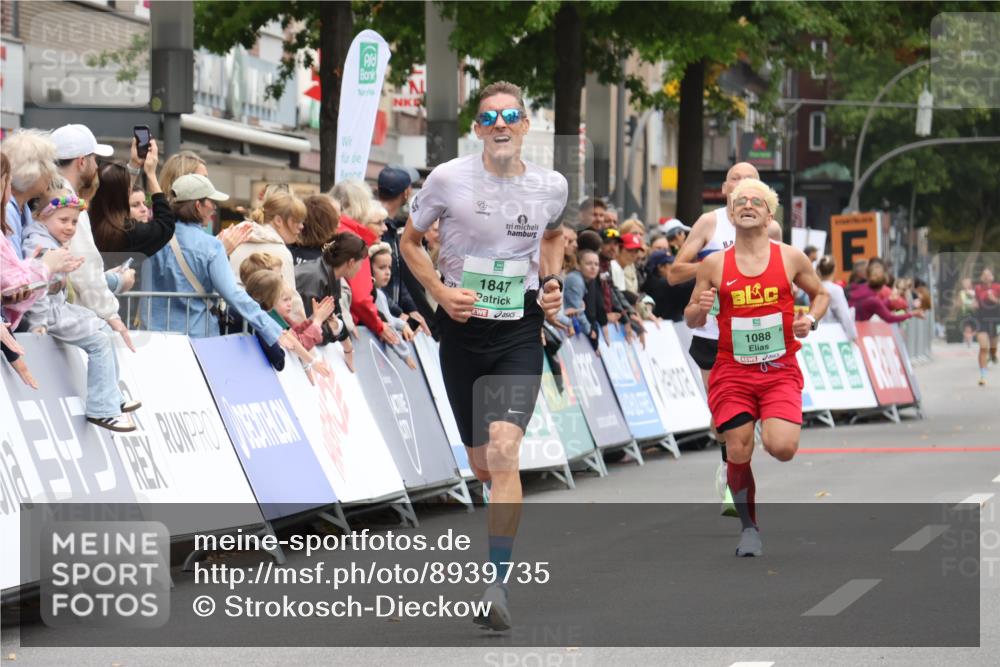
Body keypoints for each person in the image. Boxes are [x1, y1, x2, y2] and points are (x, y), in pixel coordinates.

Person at [400, 80, 567, 632]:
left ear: (525, 125)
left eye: (511, 115)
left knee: (503, 450)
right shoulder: (448, 178)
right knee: (480, 464)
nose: (501, 124)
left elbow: (552, 238)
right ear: (477, 128)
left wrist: (551, 283)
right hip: (462, 332)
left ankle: (497, 583)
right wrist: (441, 294)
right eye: (490, 116)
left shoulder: (551, 185)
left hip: (519, 329)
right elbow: (409, 242)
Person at [684, 178, 829, 557]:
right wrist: (699, 307)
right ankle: (749, 529)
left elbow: (821, 294)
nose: (747, 205)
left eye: (756, 201)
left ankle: (768, 421)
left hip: (779, 369)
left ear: (768, 214)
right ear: (731, 214)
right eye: (740, 202)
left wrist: (810, 321)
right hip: (732, 371)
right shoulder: (713, 264)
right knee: (737, 447)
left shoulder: (790, 258)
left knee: (782, 448)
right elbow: (691, 319)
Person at [667, 162, 780, 508]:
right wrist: (720, 265)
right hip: (712, 333)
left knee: (745, 418)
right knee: (722, 417)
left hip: (755, 334)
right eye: (736, 179)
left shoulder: (771, 229)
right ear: (725, 189)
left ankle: (735, 473)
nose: (744, 186)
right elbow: (674, 273)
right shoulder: (709, 222)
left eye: (752, 182)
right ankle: (727, 463)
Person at [22, 188, 142, 432]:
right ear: (42, 218)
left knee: (101, 327)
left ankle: (111, 397)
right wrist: (39, 321)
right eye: (63, 220)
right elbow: (37, 285)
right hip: (50, 313)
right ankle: (102, 408)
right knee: (99, 340)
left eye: (74, 222)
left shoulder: (50, 240)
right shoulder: (42, 245)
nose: (70, 227)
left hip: (57, 308)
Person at [144, 174, 293, 368]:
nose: (214, 208)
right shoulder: (211, 246)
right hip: (198, 338)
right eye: (211, 202)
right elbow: (233, 294)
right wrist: (270, 328)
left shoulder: (155, 235)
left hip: (154, 336)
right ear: (198, 205)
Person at [50, 124, 137, 353]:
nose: (97, 166)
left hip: (47, 315)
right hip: (64, 320)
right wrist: (110, 314)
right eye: (94, 159)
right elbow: (85, 268)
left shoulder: (46, 197)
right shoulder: (69, 206)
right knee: (104, 355)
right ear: (81, 162)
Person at [1, 152, 84, 388]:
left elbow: (14, 276)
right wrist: (47, 266)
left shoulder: (20, 211)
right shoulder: (12, 212)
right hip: (29, 319)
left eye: (74, 222)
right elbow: (13, 282)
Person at [329, 179, 401, 346]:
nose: (384, 228)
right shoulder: (353, 240)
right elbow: (360, 297)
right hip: (344, 330)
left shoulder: (332, 232)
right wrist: (379, 326)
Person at [228, 188, 307, 320]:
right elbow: (291, 301)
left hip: (232, 320)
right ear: (278, 220)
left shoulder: (235, 240)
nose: (301, 226)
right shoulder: (281, 252)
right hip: (267, 326)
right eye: (296, 221)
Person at [89, 137, 174, 256]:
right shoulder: (129, 232)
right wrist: (151, 174)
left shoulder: (87, 221)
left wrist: (134, 165)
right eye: (135, 204)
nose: (144, 208)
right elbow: (166, 224)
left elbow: (116, 193)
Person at [295, 232, 367, 371]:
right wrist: (334, 328)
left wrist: (347, 347)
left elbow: (336, 314)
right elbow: (304, 333)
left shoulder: (333, 275)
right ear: (351, 262)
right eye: (361, 262)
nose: (361, 268)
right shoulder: (314, 279)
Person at [376, 166, 432, 337]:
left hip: (392, 319)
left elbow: (397, 276)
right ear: (406, 193)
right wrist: (398, 312)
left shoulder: (392, 228)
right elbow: (375, 284)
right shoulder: (378, 229)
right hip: (383, 321)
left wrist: (411, 309)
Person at [2, 129, 61, 260]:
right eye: (47, 166)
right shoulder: (7, 210)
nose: (52, 174)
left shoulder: (22, 207)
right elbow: (15, 267)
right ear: (30, 171)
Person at [369, 242, 418, 368]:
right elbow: (388, 325)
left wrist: (403, 325)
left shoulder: (380, 293)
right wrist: (405, 355)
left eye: (389, 267)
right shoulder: (377, 295)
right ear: (369, 269)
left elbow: (388, 319)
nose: (387, 272)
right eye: (381, 267)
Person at [563, 247, 608, 348]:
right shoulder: (576, 280)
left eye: (596, 264)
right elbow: (576, 310)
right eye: (588, 264)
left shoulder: (582, 280)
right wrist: (589, 330)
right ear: (578, 265)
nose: (593, 267)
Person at [288, 194, 340, 265]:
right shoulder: (330, 262)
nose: (338, 225)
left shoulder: (285, 252)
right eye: (335, 221)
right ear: (325, 226)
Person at [642, 250, 692, 322]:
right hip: (661, 327)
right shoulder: (659, 284)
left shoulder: (651, 282)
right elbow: (688, 285)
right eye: (672, 263)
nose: (676, 267)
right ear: (661, 267)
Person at [816, 256, 857, 341]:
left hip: (817, 333)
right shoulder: (835, 289)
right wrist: (853, 335)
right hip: (833, 334)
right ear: (834, 269)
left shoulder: (814, 288)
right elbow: (844, 315)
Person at [973, 268, 1000, 386]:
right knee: (983, 348)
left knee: (993, 347)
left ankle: (993, 355)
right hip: (981, 320)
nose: (986, 276)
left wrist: (994, 299)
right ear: (981, 278)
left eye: (988, 274)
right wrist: (974, 304)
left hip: (996, 320)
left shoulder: (997, 287)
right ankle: (983, 375)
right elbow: (976, 301)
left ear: (992, 277)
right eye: (983, 274)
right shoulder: (978, 288)